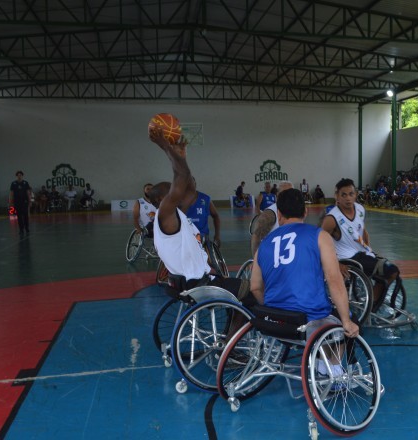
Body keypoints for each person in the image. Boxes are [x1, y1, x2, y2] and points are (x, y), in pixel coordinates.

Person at [147, 124, 252, 305]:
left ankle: (234, 330)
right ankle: (236, 333)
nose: (176, 192)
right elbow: (182, 177)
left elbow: (189, 186)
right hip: (200, 285)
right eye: (170, 191)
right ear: (160, 200)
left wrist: (181, 157)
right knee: (254, 291)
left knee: (241, 290)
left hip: (187, 282)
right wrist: (165, 145)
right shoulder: (166, 214)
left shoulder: (177, 213)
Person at [249, 188, 359, 344]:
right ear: (305, 212)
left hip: (276, 321)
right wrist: (346, 321)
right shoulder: (319, 236)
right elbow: (334, 280)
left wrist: (274, 309)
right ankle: (331, 366)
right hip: (310, 321)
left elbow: (255, 287)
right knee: (350, 320)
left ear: (279, 214)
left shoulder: (264, 245)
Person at [322, 178, 400, 307]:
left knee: (387, 269)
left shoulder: (360, 209)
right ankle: (372, 304)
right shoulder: (332, 218)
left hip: (362, 253)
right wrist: (336, 263)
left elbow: (363, 231)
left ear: (356, 195)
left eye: (351, 194)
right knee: (392, 271)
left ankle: (373, 299)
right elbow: (320, 243)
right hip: (348, 258)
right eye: (344, 195)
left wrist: (369, 249)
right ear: (337, 196)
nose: (348, 198)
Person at [251, 181, 293, 256]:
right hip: (271, 257)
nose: (288, 195)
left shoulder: (294, 211)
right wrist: (256, 260)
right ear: (278, 194)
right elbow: (256, 236)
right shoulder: (270, 213)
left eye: (291, 193)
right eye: (285, 193)